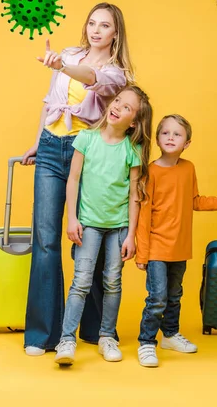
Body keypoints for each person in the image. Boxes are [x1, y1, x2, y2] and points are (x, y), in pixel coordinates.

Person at [22, 2, 134, 356]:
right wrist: (38, 141)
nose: (96, 29)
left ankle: (93, 329)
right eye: (91, 23)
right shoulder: (69, 53)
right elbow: (50, 102)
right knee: (45, 239)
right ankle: (43, 335)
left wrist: (63, 66)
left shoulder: (117, 73)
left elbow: (91, 78)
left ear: (116, 33)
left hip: (88, 154)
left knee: (92, 237)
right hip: (53, 147)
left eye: (104, 25)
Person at [54, 86, 152, 365]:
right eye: (117, 100)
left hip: (119, 227)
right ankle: (67, 340)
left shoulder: (132, 149)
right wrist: (72, 218)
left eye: (127, 107)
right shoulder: (86, 138)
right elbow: (73, 180)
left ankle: (107, 336)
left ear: (133, 122)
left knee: (112, 282)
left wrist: (131, 235)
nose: (118, 107)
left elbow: (135, 195)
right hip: (89, 224)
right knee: (81, 282)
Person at [135, 114, 217, 367]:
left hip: (180, 247)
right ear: (158, 138)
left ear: (187, 142)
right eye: (165, 133)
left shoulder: (188, 168)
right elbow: (143, 215)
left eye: (177, 134)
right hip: (157, 248)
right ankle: (146, 342)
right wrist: (142, 254)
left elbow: (194, 200)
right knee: (157, 297)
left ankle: (170, 334)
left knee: (174, 295)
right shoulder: (149, 172)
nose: (171, 138)